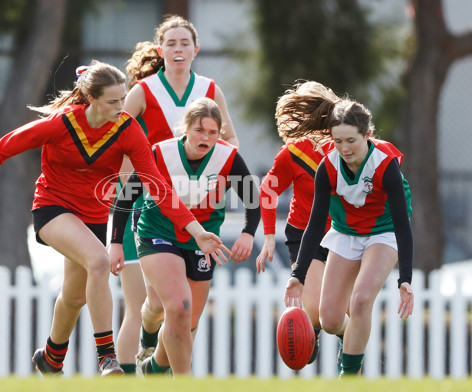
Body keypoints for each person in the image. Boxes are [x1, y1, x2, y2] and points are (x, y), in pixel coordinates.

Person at [0, 60, 228, 377]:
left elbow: (159, 187)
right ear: (91, 99)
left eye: (123, 98)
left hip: (93, 217)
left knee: (75, 296)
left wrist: (196, 230)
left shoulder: (127, 130)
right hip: (52, 208)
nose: (122, 106)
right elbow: (2, 148)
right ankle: (107, 357)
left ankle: (51, 358)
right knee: (99, 262)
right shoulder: (61, 124)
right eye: (113, 101)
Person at [114, 14, 240, 375]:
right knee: (146, 302)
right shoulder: (143, 91)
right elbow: (118, 139)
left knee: (183, 309)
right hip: (149, 203)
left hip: (197, 208)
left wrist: (219, 178)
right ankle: (141, 353)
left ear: (196, 49)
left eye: (185, 42)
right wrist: (123, 183)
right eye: (171, 42)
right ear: (160, 49)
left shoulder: (210, 89)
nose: (178, 48)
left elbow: (231, 141)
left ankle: (158, 368)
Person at [109, 97, 259, 376]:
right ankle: (183, 380)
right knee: (177, 306)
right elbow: (126, 197)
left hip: (203, 240)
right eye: (200, 130)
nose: (206, 138)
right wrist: (116, 242)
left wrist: (248, 234)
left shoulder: (227, 157)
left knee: (187, 322)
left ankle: (154, 368)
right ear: (186, 128)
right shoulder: (159, 153)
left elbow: (253, 200)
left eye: (213, 132)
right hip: (158, 232)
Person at [282, 84, 414, 377]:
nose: (344, 148)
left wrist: (405, 279)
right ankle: (349, 339)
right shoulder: (328, 167)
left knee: (361, 299)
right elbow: (315, 225)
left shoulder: (385, 165)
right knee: (328, 320)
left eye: (351, 141)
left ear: (367, 135)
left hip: (384, 232)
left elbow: (403, 225)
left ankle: (349, 375)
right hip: (345, 233)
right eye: (338, 141)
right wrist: (297, 275)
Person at [255, 81, 338, 365]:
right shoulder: (294, 153)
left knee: (343, 310)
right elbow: (267, 190)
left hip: (344, 235)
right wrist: (268, 238)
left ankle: (349, 356)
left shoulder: (348, 146)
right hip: (305, 234)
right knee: (315, 310)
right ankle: (312, 331)